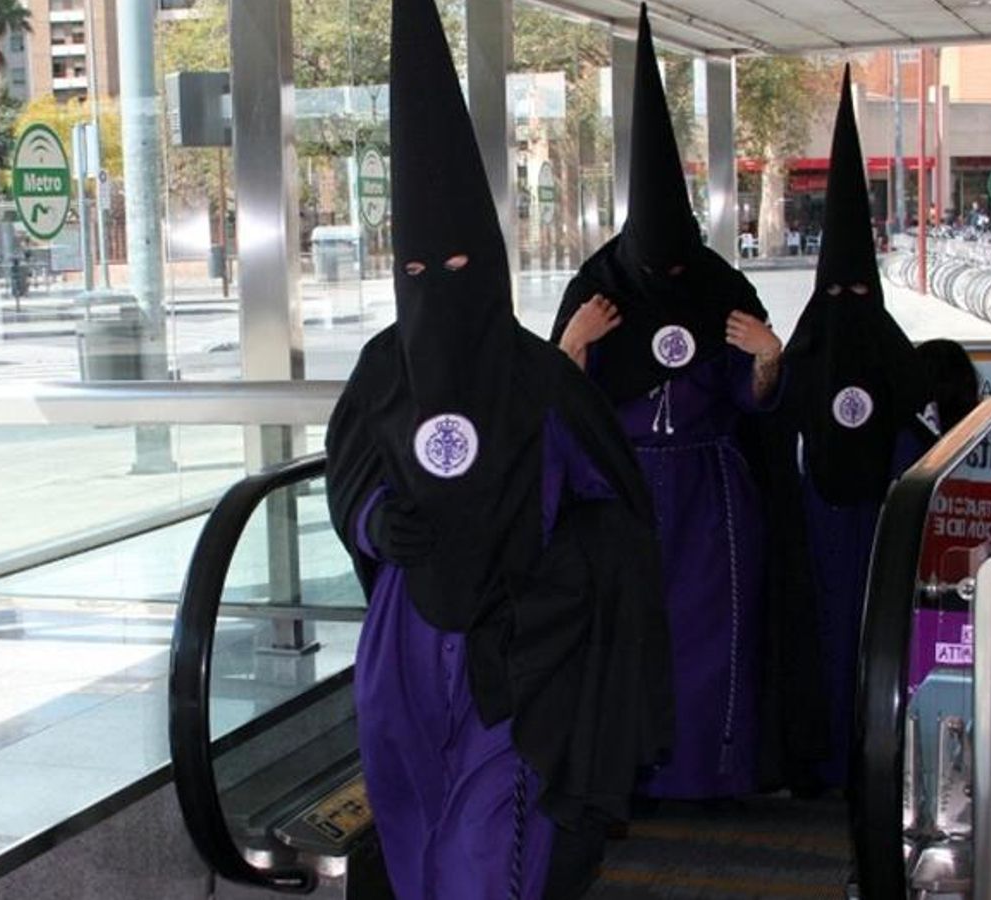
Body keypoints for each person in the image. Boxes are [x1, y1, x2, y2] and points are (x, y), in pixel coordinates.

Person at [324, 0, 673, 897]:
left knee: (489, 849)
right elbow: (350, 471)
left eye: (456, 271)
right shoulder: (381, 369)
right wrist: (373, 522)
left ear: (491, 263)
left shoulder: (542, 381)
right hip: (402, 647)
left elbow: (617, 511)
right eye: (414, 275)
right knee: (409, 832)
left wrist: (557, 586)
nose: (435, 290)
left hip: (512, 664)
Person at [552, 4, 781, 805]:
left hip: (711, 500)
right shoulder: (596, 293)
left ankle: (714, 774)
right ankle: (627, 778)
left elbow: (755, 408)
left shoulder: (719, 288)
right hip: (624, 498)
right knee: (623, 639)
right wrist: (573, 348)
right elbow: (560, 412)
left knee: (712, 638)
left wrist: (767, 361)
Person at [770, 67, 941, 794]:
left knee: (880, 646)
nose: (845, 308)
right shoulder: (801, 360)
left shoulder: (896, 366)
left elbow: (926, 436)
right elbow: (770, 433)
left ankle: (878, 766)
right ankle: (817, 760)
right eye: (834, 294)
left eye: (858, 295)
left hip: (880, 533)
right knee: (820, 645)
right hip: (813, 534)